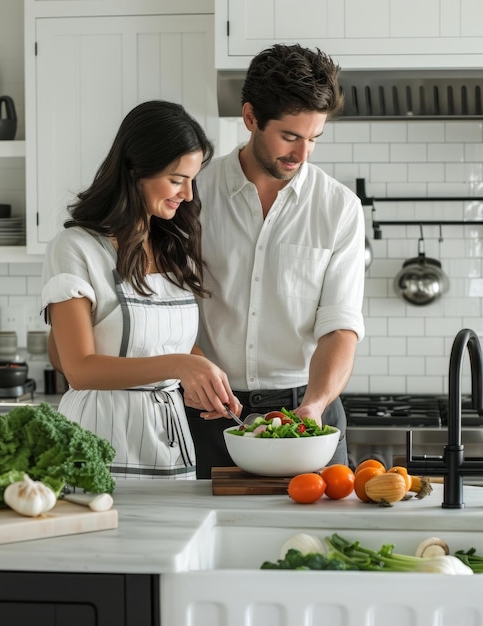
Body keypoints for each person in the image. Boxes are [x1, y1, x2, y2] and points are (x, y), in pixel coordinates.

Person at [184, 44, 366, 478]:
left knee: (318, 544)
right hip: (210, 413)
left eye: (314, 139)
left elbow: (340, 325)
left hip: (308, 416)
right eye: (290, 136)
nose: (302, 155)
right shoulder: (192, 197)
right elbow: (168, 308)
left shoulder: (339, 207)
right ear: (250, 118)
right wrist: (193, 369)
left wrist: (315, 405)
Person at [41, 100, 242, 481]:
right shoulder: (76, 248)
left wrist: (202, 375)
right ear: (135, 170)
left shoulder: (171, 247)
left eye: (192, 180)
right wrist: (181, 365)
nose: (186, 194)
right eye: (176, 179)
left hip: (169, 443)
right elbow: (79, 368)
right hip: (97, 442)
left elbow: (170, 344)